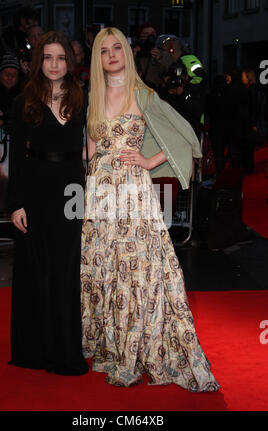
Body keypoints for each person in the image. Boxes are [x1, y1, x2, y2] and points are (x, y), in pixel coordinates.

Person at [81, 27, 220, 391]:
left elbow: (187, 136)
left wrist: (147, 161)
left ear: (127, 52)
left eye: (117, 48)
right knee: (104, 268)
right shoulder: (93, 97)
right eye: (103, 50)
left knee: (136, 270)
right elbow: (89, 153)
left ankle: (139, 349)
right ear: (97, 58)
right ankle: (110, 346)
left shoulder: (143, 94)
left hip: (132, 193)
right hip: (99, 196)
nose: (111, 54)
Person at [7, 31, 89, 376]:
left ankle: (65, 348)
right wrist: (17, 203)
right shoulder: (24, 100)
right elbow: (17, 158)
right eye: (48, 58)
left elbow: (89, 147)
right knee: (36, 268)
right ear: (39, 61)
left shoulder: (82, 97)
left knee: (67, 269)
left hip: (73, 189)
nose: (54, 64)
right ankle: (35, 348)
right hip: (37, 189)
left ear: (69, 62)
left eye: (60, 58)